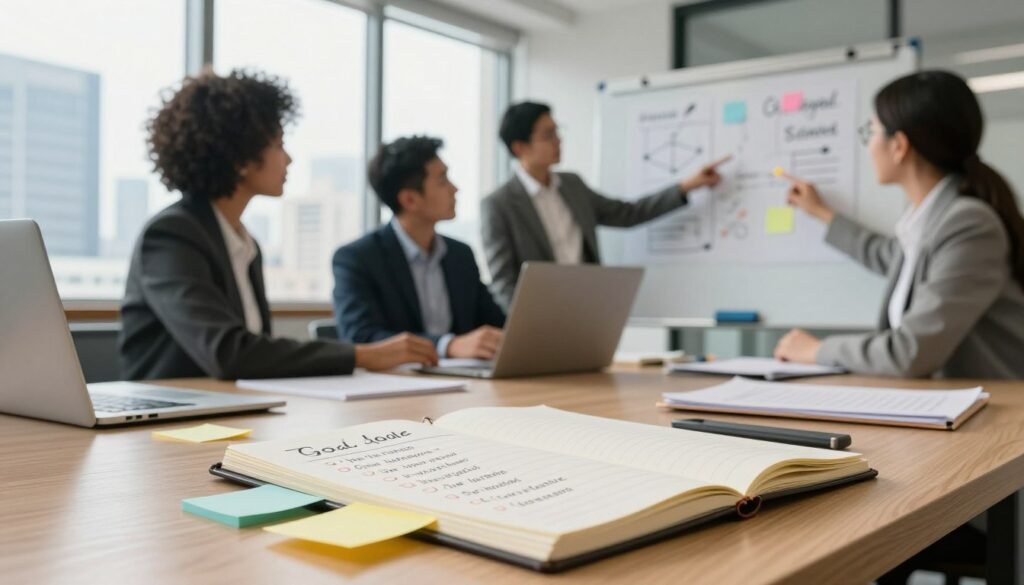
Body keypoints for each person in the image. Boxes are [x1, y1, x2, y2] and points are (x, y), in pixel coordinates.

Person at [120, 69, 437, 380]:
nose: (289, 159)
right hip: (172, 423)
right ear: (241, 159)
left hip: (229, 409)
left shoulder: (244, 243)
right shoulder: (172, 235)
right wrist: (363, 355)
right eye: (278, 144)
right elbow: (229, 353)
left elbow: (255, 357)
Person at [774, 70, 1024, 379]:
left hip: (1000, 415)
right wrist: (822, 213)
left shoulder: (969, 224)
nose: (869, 146)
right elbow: (885, 254)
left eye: (872, 132)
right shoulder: (927, 223)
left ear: (899, 145)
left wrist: (816, 351)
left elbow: (910, 353)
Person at [481, 101, 729, 308]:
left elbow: (628, 214)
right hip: (539, 319)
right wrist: (528, 322)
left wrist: (686, 186)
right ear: (519, 147)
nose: (558, 141)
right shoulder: (499, 205)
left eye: (558, 132)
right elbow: (504, 283)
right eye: (548, 135)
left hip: (587, 310)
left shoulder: (572, 185)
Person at [332, 136, 506, 360]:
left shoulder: (460, 255)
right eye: (442, 180)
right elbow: (361, 336)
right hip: (395, 387)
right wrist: (447, 345)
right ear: (410, 199)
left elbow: (496, 323)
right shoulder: (357, 259)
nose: (455, 188)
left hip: (466, 383)